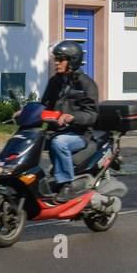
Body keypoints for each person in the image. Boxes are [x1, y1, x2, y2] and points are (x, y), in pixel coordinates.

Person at [40, 40, 99, 201]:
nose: (56, 62)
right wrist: (26, 111)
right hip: (57, 130)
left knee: (59, 143)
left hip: (79, 133)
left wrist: (73, 117)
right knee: (36, 139)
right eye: (56, 59)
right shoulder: (55, 81)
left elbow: (92, 114)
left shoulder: (86, 84)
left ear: (72, 61)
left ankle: (67, 184)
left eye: (61, 59)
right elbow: (44, 105)